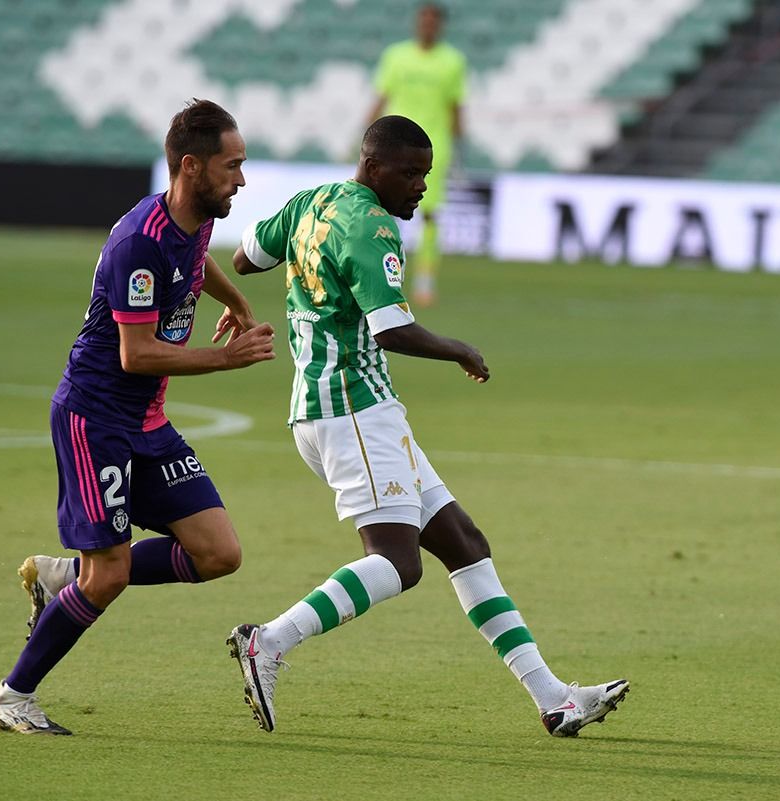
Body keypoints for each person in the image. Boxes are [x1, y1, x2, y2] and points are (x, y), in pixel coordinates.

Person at [226, 115, 628, 738]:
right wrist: (459, 348)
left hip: (338, 410)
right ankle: (269, 642)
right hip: (352, 411)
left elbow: (247, 256)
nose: (419, 186)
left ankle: (555, 698)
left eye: (426, 175)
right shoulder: (370, 226)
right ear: (372, 166)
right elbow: (390, 327)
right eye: (409, 174)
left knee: (464, 543)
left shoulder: (313, 202)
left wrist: (279, 290)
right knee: (398, 563)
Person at [0, 99, 276, 735]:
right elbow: (137, 354)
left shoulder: (196, 215)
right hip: (96, 421)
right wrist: (229, 359)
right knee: (111, 573)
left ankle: (64, 575)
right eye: (233, 166)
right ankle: (12, 697)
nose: (243, 179)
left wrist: (238, 299)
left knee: (219, 552)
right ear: (191, 166)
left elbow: (197, 265)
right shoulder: (136, 247)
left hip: (146, 421)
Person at [368, 2, 467, 307]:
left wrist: (458, 145)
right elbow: (381, 97)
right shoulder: (396, 56)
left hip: (432, 147)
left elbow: (455, 107)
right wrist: (367, 133)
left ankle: (425, 278)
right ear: (417, 23)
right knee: (381, 209)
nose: (427, 25)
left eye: (433, 20)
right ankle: (384, 270)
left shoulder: (453, 61)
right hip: (393, 145)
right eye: (423, 19)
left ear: (440, 25)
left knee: (430, 213)